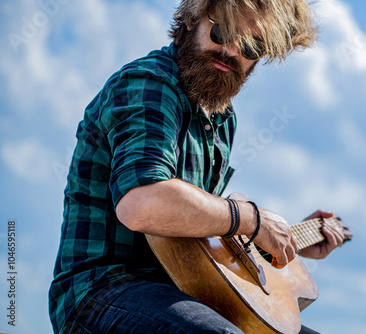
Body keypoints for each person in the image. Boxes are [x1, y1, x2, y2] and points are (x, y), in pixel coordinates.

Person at [49, 0, 346, 333]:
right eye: (222, 31)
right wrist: (253, 219)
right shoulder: (150, 84)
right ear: (192, 18)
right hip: (102, 292)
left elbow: (204, 237)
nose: (232, 50)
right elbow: (141, 204)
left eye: (251, 46)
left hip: (185, 293)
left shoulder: (222, 119)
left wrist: (289, 241)